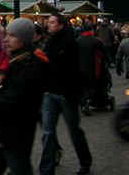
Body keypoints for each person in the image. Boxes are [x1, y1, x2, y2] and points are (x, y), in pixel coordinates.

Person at [0, 18, 49, 175]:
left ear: (23, 39)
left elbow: (14, 102)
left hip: (15, 132)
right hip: (5, 130)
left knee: (18, 167)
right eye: (7, 35)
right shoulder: (15, 59)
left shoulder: (28, 64)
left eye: (11, 36)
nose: (6, 39)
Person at [39, 14, 92, 175]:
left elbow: (76, 69)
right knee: (48, 132)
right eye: (48, 22)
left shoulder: (70, 43)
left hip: (66, 93)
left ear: (61, 25)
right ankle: (46, 169)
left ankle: (85, 162)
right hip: (50, 92)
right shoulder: (49, 42)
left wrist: (76, 92)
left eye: (52, 22)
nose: (49, 24)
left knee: (74, 130)